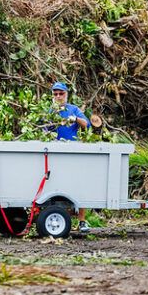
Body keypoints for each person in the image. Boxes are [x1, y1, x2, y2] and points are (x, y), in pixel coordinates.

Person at [49, 81, 91, 234]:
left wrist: (75, 119)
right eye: (55, 94)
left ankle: (82, 221)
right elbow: (42, 128)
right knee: (54, 185)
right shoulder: (49, 111)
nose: (58, 96)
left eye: (61, 94)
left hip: (73, 153)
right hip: (54, 153)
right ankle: (54, 216)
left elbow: (87, 125)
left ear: (66, 94)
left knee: (79, 185)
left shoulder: (73, 109)